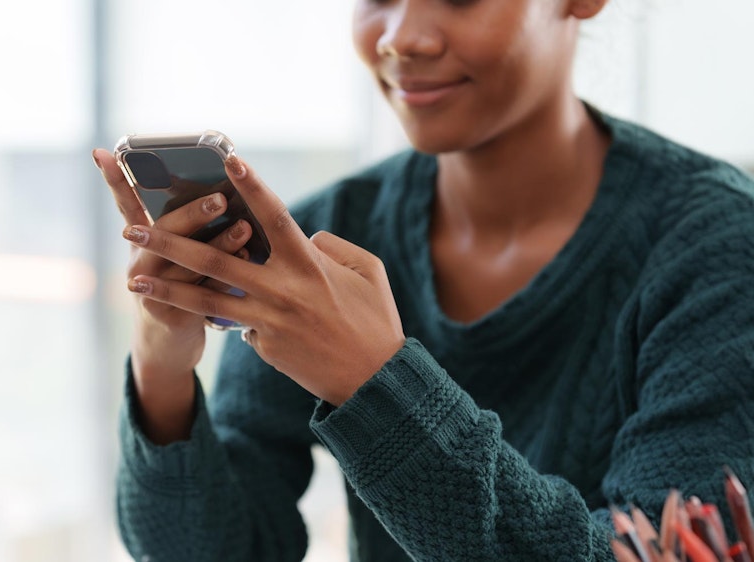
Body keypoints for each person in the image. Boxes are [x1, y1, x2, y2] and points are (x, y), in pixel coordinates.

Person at [92, 0, 754, 560]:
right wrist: (162, 367)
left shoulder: (717, 246)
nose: (402, 37)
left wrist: (376, 381)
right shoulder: (325, 233)